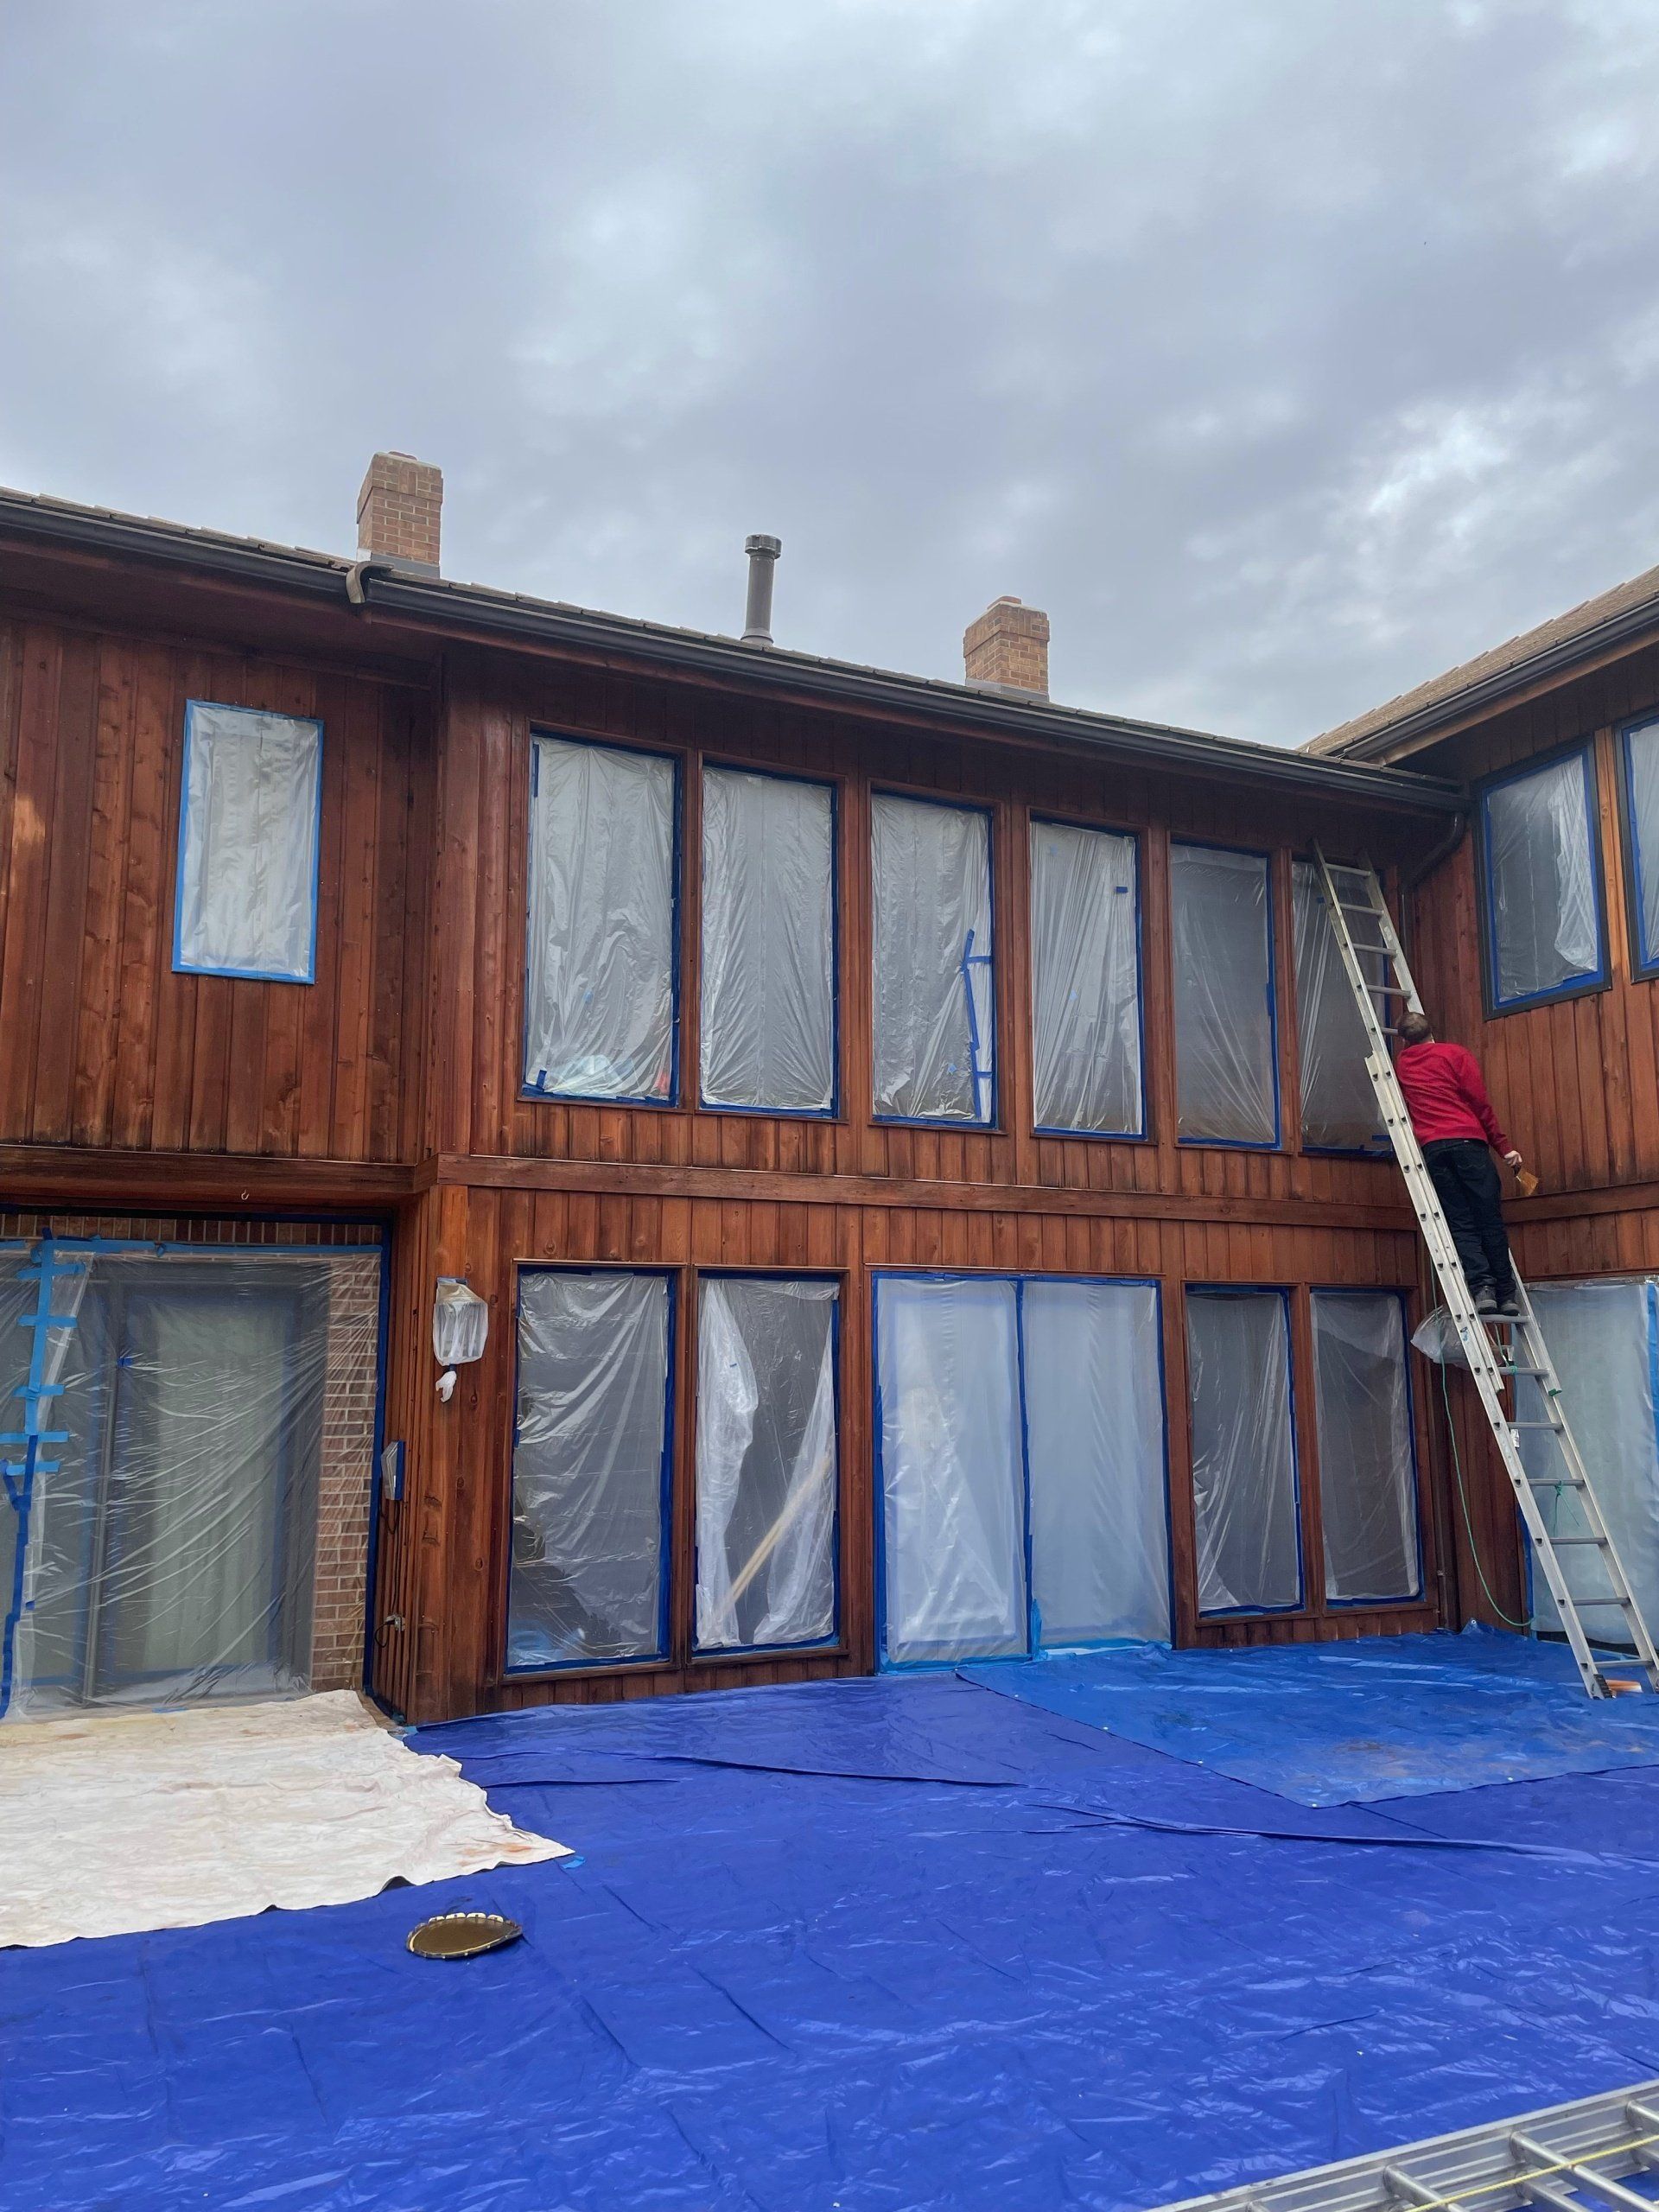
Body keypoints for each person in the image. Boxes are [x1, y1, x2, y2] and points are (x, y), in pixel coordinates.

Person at [1394, 1009, 1524, 1318]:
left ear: (1402, 1041)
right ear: (1432, 1030)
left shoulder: (1402, 1064)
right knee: (1488, 1217)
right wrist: (1503, 1148)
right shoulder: (1455, 1055)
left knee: (1460, 1221)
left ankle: (1482, 1289)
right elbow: (1480, 1103)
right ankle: (1506, 1295)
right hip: (1468, 1143)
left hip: (1434, 1149)